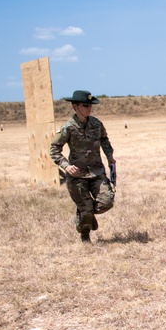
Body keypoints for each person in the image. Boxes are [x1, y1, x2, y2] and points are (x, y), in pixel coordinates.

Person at [50, 90, 116, 243]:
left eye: (90, 105)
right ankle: (85, 234)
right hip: (77, 176)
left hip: (96, 172)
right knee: (86, 210)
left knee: (107, 202)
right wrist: (66, 166)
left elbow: (104, 140)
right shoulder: (68, 128)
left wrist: (110, 156)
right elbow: (54, 150)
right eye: (85, 105)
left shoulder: (96, 124)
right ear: (75, 106)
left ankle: (86, 213)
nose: (89, 108)